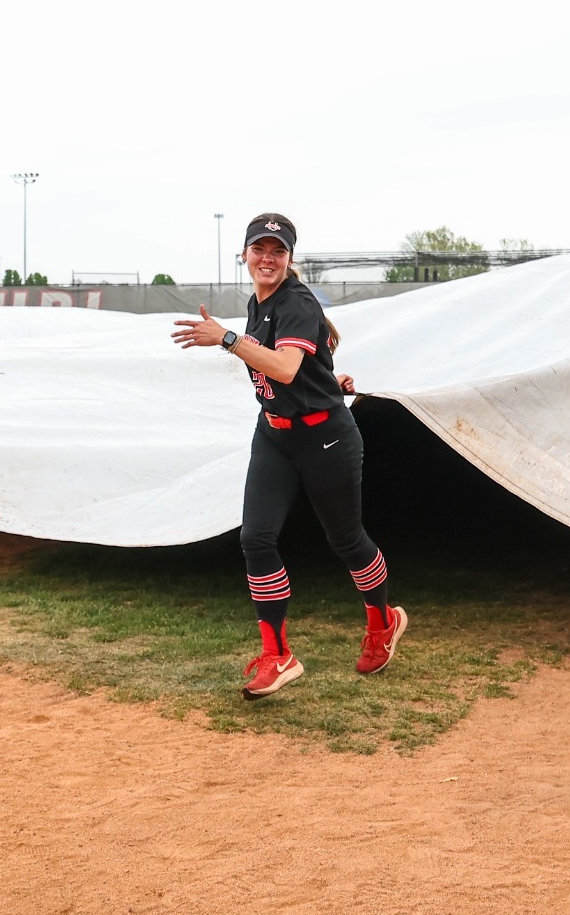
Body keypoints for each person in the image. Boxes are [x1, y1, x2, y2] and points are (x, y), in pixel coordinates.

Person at [171, 212, 406, 699]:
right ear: (245, 255)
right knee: (256, 538)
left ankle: (384, 620)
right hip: (275, 434)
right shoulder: (261, 302)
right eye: (259, 249)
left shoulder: (295, 300)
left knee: (346, 540)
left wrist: (228, 339)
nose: (267, 258)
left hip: (326, 439)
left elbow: (281, 367)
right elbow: (302, 365)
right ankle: (279, 655)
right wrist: (328, 380)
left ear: (290, 258)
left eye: (277, 251)